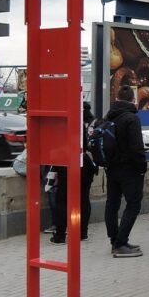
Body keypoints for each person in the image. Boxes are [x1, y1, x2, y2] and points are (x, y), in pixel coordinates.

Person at [103, 84, 146, 258]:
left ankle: (115, 240)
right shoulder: (131, 118)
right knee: (133, 204)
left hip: (111, 168)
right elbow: (137, 147)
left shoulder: (108, 117)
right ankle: (121, 243)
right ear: (133, 99)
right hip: (129, 169)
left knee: (112, 204)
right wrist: (142, 167)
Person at [49, 101, 97, 245]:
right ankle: (82, 232)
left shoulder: (62, 123)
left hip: (66, 164)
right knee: (83, 198)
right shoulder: (82, 121)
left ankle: (60, 234)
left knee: (62, 199)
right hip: (85, 164)